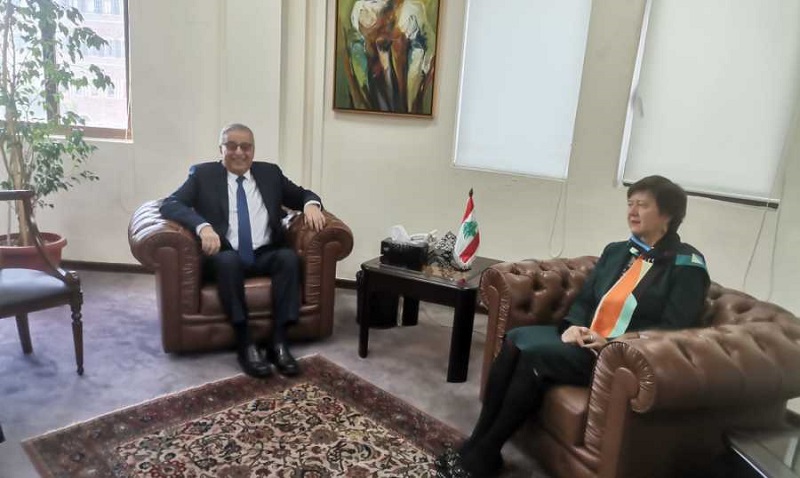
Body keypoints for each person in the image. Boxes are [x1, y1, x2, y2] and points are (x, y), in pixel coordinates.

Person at [436, 175, 710, 478]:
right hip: (584, 337)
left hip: (617, 356)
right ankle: (477, 443)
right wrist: (574, 326)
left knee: (533, 358)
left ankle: (484, 455)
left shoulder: (687, 265)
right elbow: (586, 297)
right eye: (630, 203)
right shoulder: (617, 251)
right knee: (514, 340)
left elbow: (674, 329)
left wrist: (614, 342)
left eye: (642, 205)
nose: (632, 211)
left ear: (667, 214)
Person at [160, 123, 326, 378]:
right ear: (221, 149)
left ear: (253, 150)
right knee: (228, 262)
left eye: (245, 147)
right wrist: (203, 227)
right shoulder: (202, 175)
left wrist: (311, 205)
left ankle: (279, 342)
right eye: (231, 146)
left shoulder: (270, 174)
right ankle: (245, 342)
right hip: (225, 253)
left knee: (288, 259)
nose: (239, 152)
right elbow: (171, 203)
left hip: (264, 252)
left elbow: (303, 194)